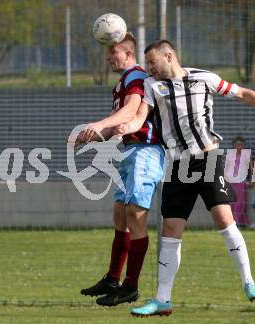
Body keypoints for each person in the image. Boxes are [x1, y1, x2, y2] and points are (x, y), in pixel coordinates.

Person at [84, 39, 255, 317]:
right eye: (147, 64)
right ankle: (163, 301)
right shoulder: (153, 86)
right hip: (177, 165)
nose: (149, 68)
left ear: (169, 56)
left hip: (207, 158)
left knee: (223, 219)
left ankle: (249, 281)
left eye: (152, 62)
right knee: (170, 231)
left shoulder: (204, 78)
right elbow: (140, 117)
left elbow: (243, 93)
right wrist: (125, 126)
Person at [75, 33, 165, 307]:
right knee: (120, 213)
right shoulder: (124, 81)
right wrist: (95, 135)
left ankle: (131, 286)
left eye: (113, 53)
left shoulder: (136, 76)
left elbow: (131, 113)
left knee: (135, 215)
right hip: (130, 151)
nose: (107, 57)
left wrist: (98, 125)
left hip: (146, 151)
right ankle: (113, 278)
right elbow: (122, 125)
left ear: (128, 54)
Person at [225, 136, 252, 226]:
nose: (239, 146)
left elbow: (251, 169)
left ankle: (238, 222)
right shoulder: (229, 155)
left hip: (241, 182)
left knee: (240, 203)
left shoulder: (246, 155)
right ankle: (231, 222)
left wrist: (251, 180)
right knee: (231, 203)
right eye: (237, 144)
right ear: (234, 145)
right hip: (231, 182)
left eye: (241, 145)